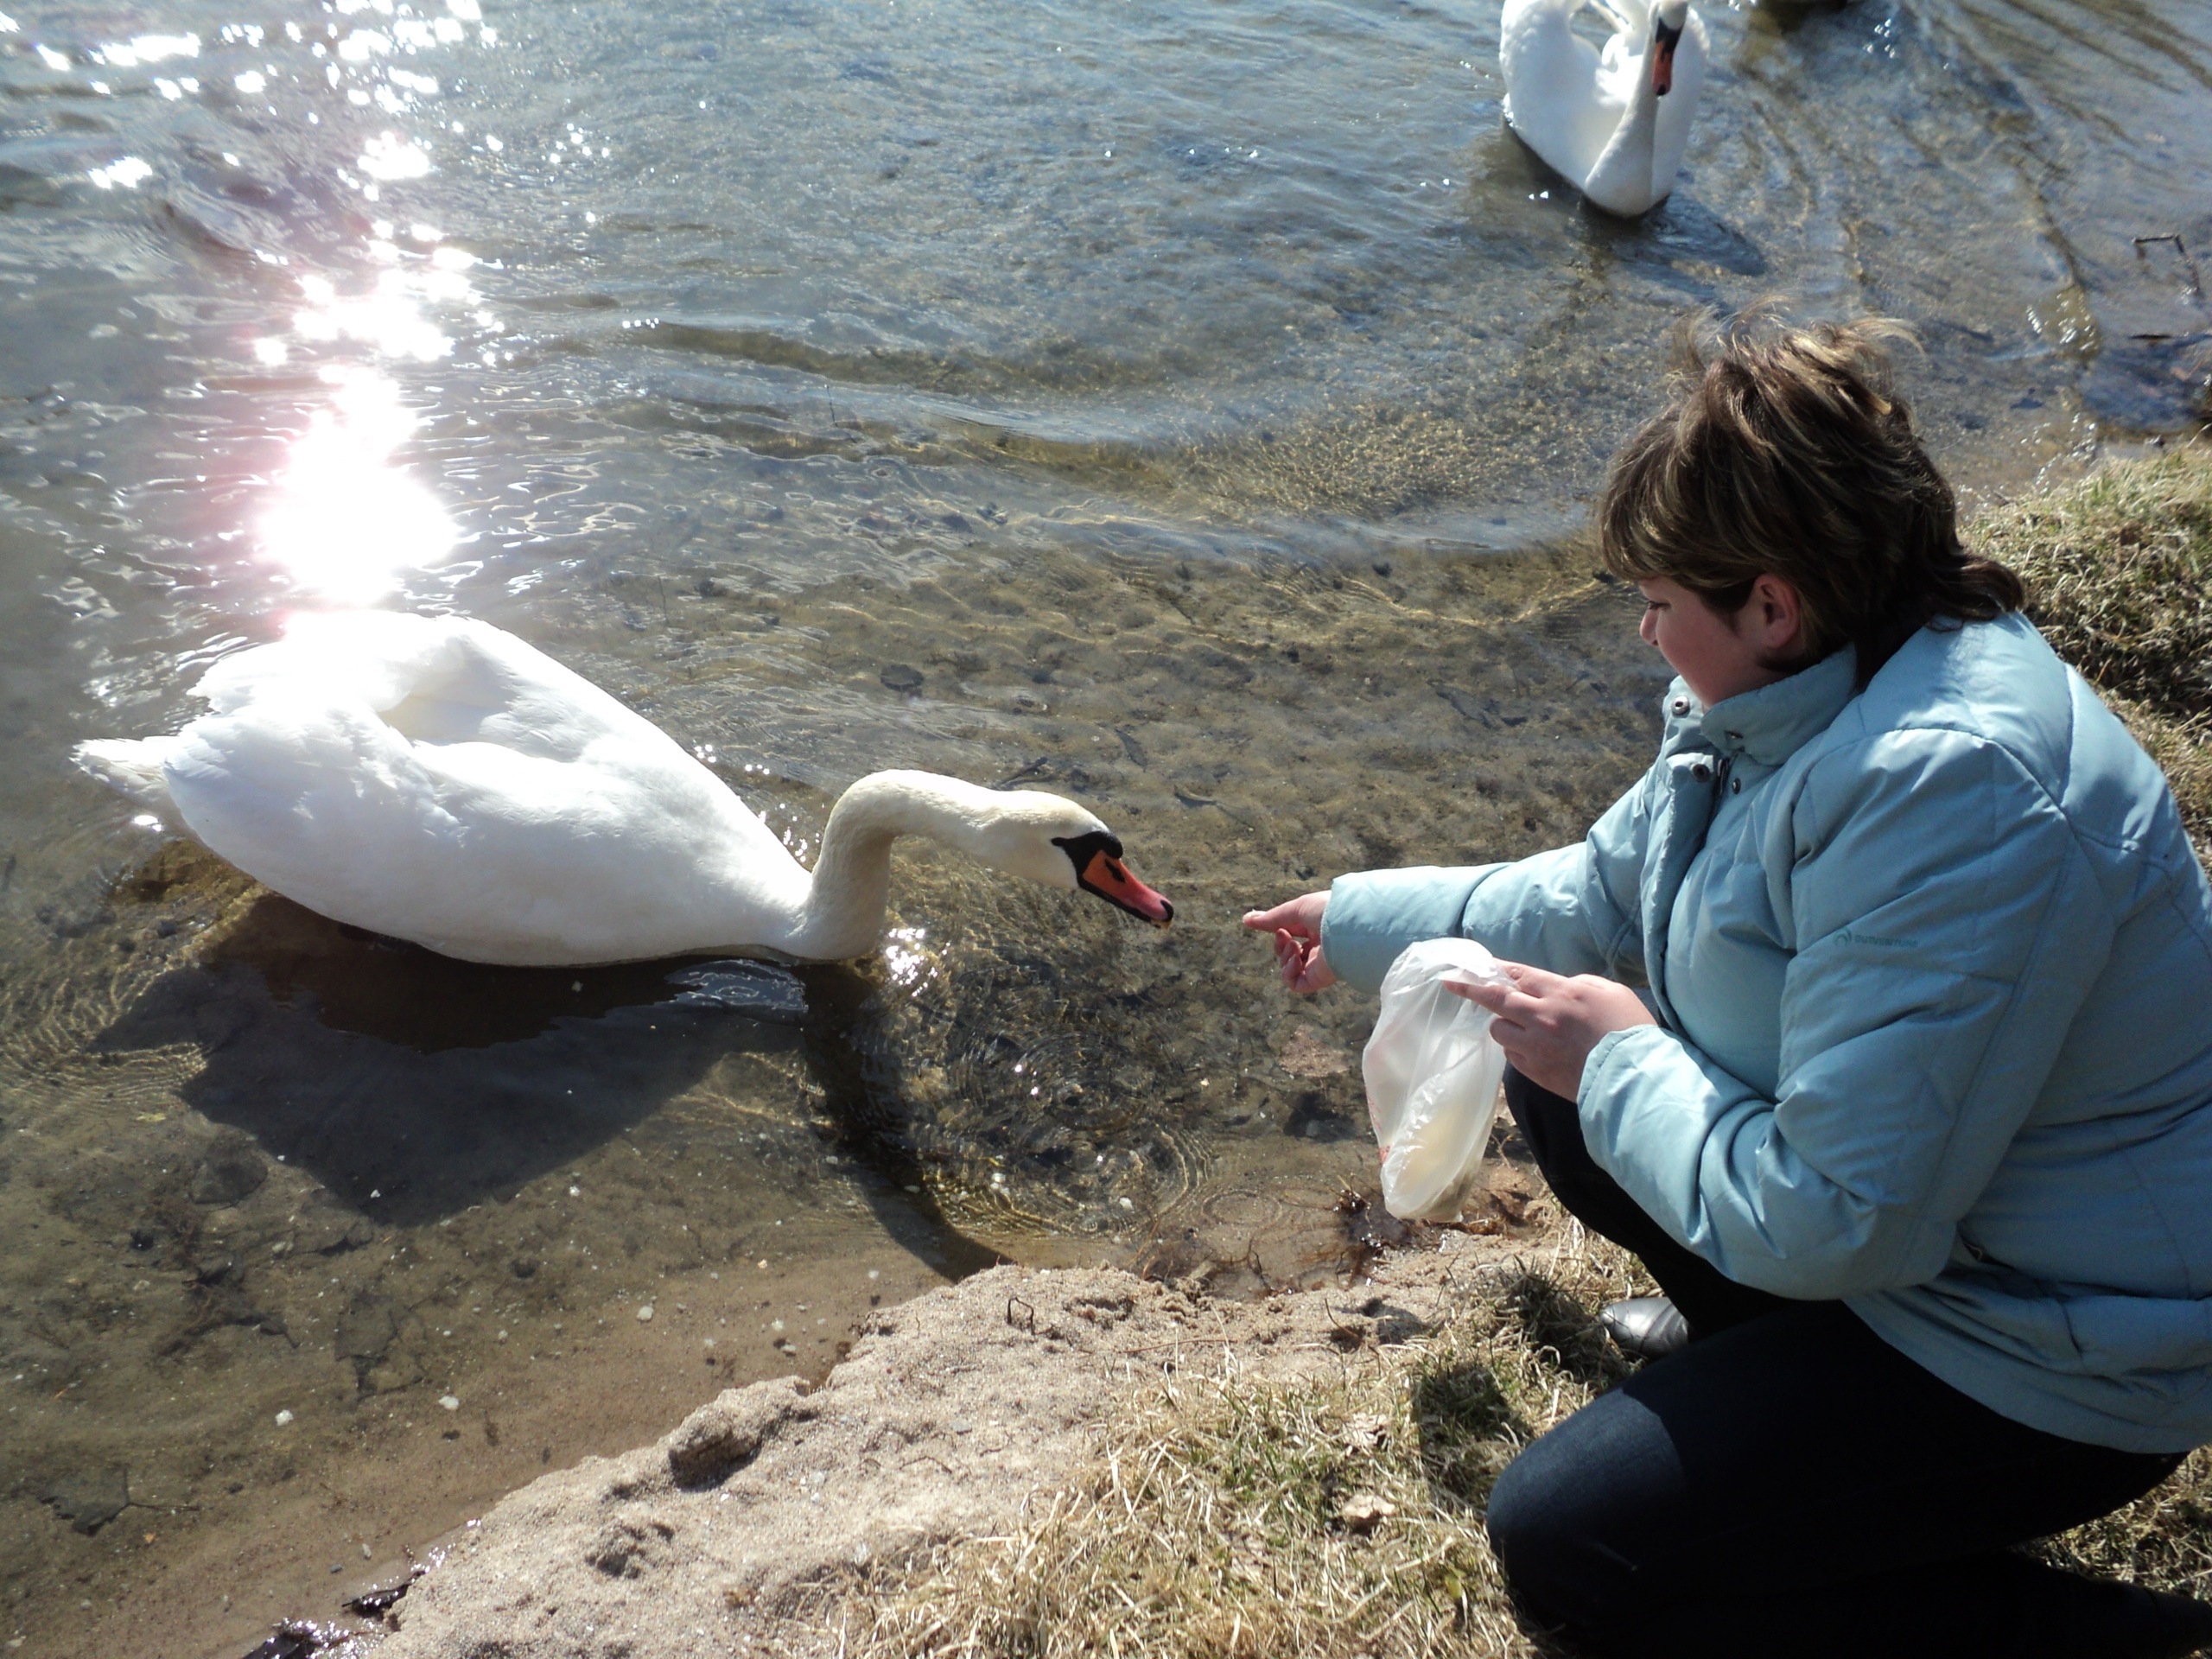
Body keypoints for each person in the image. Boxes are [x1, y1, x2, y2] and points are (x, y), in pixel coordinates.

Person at [1243, 314, 2212, 1658]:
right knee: (1541, 1031)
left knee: (1571, 1547)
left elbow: (1841, 1223)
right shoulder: (1798, 694)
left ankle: (2099, 1634)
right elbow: (1601, 893)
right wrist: (1355, 921)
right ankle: (1753, 1352)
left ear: (1771, 602)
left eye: (1658, 603)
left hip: (2056, 1342)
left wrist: (1620, 1059)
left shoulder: (1955, 793)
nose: (1645, 633)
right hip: (1936, 1234)